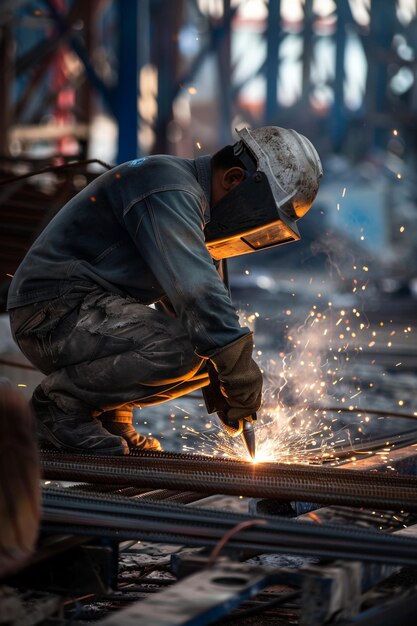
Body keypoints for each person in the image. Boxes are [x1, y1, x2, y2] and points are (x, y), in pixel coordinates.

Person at [7, 126, 322, 455]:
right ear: (234, 179)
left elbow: (198, 316)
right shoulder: (170, 187)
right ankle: (57, 409)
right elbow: (198, 294)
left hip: (82, 310)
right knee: (191, 348)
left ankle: (109, 416)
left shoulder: (195, 211)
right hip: (51, 312)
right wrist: (239, 369)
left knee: (208, 354)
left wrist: (225, 380)